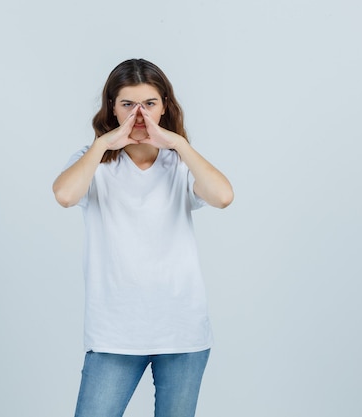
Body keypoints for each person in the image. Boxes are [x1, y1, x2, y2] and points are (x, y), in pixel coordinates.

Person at [52, 58, 233, 417]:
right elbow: (65, 195)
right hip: (114, 335)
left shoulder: (181, 164)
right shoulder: (94, 163)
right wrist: (104, 144)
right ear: (112, 108)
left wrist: (178, 144)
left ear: (164, 106)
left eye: (149, 104)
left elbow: (223, 196)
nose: (139, 115)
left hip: (182, 333)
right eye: (127, 104)